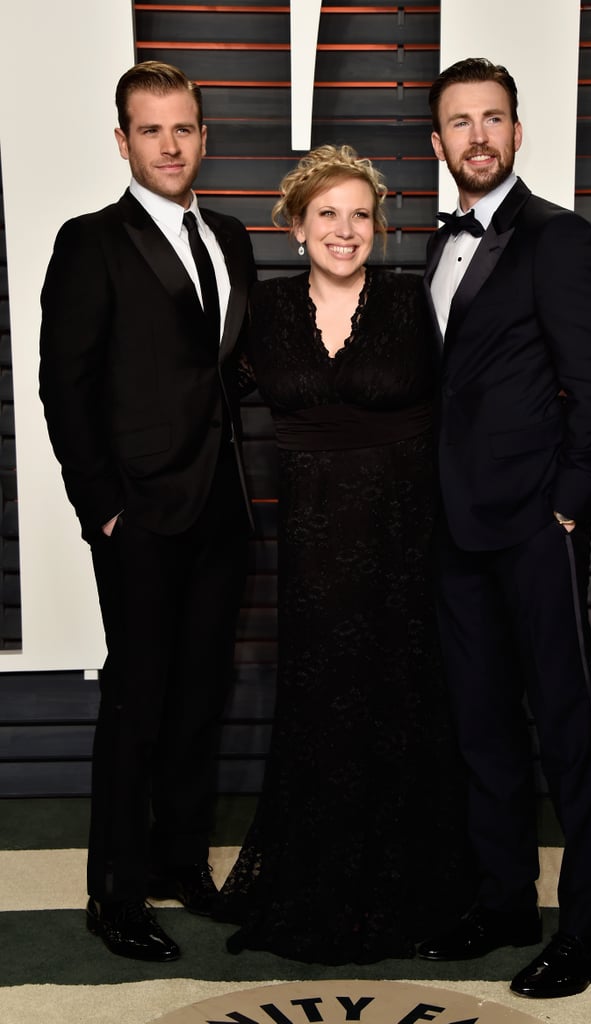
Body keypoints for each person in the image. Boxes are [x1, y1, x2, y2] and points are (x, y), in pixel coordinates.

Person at [213, 145, 462, 964]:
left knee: (401, 701)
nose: (346, 229)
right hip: (314, 546)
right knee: (324, 706)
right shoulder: (265, 312)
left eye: (361, 214)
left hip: (403, 538)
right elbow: (196, 398)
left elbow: (467, 401)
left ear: (378, 227)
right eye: (328, 214)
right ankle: (316, 883)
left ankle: (407, 890)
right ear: (295, 226)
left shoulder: (407, 302)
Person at [416, 58, 591, 999]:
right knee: (482, 726)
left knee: (564, 732)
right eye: (459, 122)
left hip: (538, 526)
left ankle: (590, 931)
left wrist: (568, 507)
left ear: (517, 131)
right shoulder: (435, 245)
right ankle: (506, 900)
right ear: (438, 143)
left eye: (492, 118)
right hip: (454, 531)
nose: (477, 136)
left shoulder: (559, 238)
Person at [39, 61, 256, 962]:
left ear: (204, 136)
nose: (170, 145)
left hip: (224, 509)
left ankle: (180, 865)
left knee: (202, 696)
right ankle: (115, 894)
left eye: (184, 128)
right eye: (151, 129)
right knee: (137, 702)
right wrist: (103, 512)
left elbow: (228, 373)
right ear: (122, 140)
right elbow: (65, 386)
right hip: (139, 513)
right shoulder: (90, 241)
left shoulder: (234, 238)